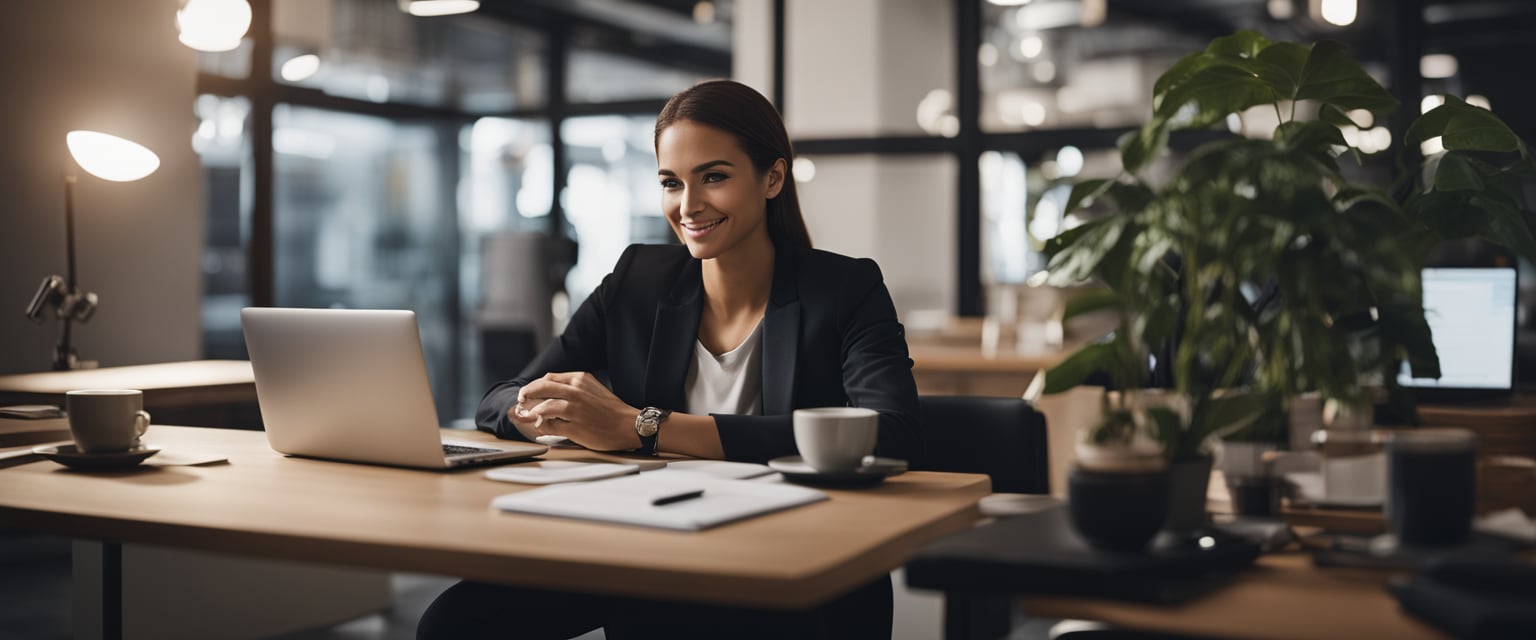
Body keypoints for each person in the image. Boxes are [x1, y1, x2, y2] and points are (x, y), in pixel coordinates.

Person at [418, 79, 920, 640]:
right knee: (453, 624)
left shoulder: (846, 287)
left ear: (772, 178)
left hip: (792, 555)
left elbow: (891, 432)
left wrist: (642, 428)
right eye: (670, 182)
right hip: (647, 541)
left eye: (714, 177)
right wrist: (540, 411)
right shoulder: (639, 279)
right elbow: (500, 397)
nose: (689, 205)